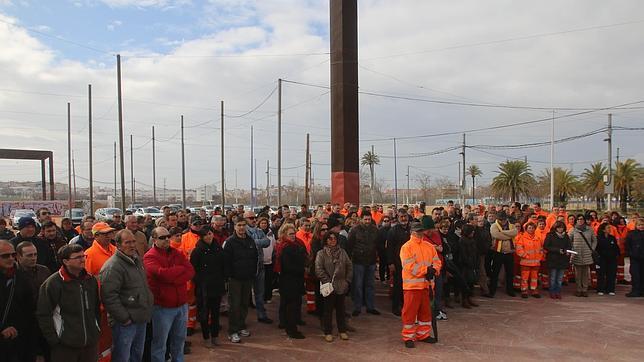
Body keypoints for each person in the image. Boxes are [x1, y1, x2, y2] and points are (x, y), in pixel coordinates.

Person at [37, 244, 101, 362]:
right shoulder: (53, 283)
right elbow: (43, 314)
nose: (82, 260)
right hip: (65, 346)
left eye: (83, 256)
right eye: (77, 257)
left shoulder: (90, 280)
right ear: (65, 261)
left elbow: (95, 308)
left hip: (90, 344)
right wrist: (54, 340)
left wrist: (96, 330)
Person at [99, 229, 153, 362]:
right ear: (118, 245)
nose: (132, 245)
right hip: (125, 323)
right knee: (122, 357)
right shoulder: (113, 266)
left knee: (136, 355)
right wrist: (124, 318)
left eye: (133, 241)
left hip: (140, 318)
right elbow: (109, 297)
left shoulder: (136, 260)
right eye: (127, 242)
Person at [144, 227, 195, 362]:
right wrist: (179, 272)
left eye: (168, 236)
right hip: (162, 308)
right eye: (162, 237)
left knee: (179, 341)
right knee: (160, 344)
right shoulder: (150, 257)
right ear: (154, 240)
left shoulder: (177, 253)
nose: (166, 239)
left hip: (181, 305)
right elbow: (163, 275)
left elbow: (190, 271)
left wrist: (173, 276)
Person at [399, 222, 441, 348]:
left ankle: (423, 335)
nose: (419, 233)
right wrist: (427, 270)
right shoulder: (406, 247)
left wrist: (434, 270)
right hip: (412, 288)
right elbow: (409, 266)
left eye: (421, 231)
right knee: (409, 313)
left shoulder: (429, 246)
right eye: (417, 231)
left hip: (427, 286)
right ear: (412, 232)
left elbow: (437, 261)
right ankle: (408, 337)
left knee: (426, 313)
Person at [223, 219, 258, 343]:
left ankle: (241, 325)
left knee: (244, 304)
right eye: (239, 225)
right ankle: (232, 331)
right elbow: (225, 262)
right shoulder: (230, 242)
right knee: (234, 305)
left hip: (248, 278)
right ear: (235, 227)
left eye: (244, 225)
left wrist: (253, 272)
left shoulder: (250, 240)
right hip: (235, 279)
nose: (242, 227)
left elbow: (255, 257)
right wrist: (229, 277)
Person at [190, 227, 226, 347]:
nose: (208, 237)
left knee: (215, 313)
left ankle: (215, 336)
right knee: (204, 313)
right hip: (203, 288)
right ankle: (206, 337)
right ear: (201, 237)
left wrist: (223, 280)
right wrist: (200, 282)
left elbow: (223, 265)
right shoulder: (197, 251)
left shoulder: (218, 248)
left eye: (210, 234)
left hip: (217, 285)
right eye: (205, 235)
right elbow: (193, 270)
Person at [16, 241, 51, 362]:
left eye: (35, 254)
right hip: (24, 324)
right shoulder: (14, 274)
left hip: (44, 321)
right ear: (18, 256)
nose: (33, 258)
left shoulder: (44, 271)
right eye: (29, 255)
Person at [0, 240, 35, 362]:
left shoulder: (21, 278)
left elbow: (29, 312)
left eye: (13, 255)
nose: (10, 258)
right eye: (5, 256)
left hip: (19, 342)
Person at [316, 231, 353, 342]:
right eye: (330, 238)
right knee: (327, 310)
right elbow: (318, 269)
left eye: (334, 238)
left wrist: (347, 281)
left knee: (341, 309)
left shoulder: (343, 252)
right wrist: (327, 282)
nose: (332, 240)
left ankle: (342, 330)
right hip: (328, 286)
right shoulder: (321, 253)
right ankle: (328, 331)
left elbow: (349, 266)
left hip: (341, 285)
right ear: (326, 240)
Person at [276, 223, 307, 339]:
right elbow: (288, 266)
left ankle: (288, 326)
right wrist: (301, 268)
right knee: (291, 306)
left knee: (288, 305)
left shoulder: (290, 245)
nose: (293, 236)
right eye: (290, 234)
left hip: (290, 280)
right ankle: (292, 330)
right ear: (284, 235)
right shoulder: (287, 247)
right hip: (290, 281)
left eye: (294, 233)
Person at [347, 211, 380, 316]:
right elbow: (350, 246)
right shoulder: (354, 230)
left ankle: (370, 307)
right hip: (358, 261)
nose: (367, 221)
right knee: (358, 285)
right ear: (361, 219)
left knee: (370, 285)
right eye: (365, 219)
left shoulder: (375, 230)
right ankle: (357, 307)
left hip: (371, 261)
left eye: (369, 219)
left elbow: (378, 244)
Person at [244, 211, 272, 324]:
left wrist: (253, 242)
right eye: (251, 218)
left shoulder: (258, 230)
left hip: (259, 265)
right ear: (245, 219)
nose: (254, 220)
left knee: (260, 293)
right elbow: (246, 245)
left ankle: (262, 315)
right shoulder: (243, 230)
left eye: (254, 217)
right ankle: (243, 319)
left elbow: (267, 242)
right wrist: (256, 242)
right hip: (247, 267)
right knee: (244, 295)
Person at [488, 211, 518, 297]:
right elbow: (496, 235)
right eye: (500, 219)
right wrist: (509, 235)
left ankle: (510, 290)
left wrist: (503, 233)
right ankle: (492, 291)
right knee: (495, 273)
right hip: (498, 252)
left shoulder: (512, 225)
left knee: (510, 273)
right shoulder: (494, 226)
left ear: (506, 219)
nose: (502, 221)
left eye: (503, 219)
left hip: (509, 252)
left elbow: (515, 233)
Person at [387, 211, 411, 316]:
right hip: (398, 262)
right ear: (398, 218)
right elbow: (389, 248)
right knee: (398, 285)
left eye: (405, 216)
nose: (404, 218)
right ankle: (395, 307)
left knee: (408, 286)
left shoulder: (412, 229)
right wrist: (391, 263)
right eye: (401, 217)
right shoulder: (393, 231)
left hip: (411, 264)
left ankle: (406, 305)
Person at [569, 215, 597, 297]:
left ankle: (584, 289)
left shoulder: (589, 230)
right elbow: (568, 241)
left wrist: (592, 249)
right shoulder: (572, 230)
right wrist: (572, 250)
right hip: (576, 254)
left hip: (587, 254)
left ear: (584, 220)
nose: (580, 220)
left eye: (581, 219)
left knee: (585, 273)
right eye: (578, 219)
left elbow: (594, 240)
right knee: (577, 273)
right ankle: (578, 289)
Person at [543, 221, 572, 299]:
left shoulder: (566, 236)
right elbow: (546, 246)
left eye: (562, 227)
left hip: (562, 260)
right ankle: (552, 292)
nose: (560, 229)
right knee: (552, 277)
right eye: (559, 227)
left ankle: (558, 292)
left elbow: (569, 245)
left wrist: (567, 250)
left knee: (559, 278)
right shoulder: (550, 235)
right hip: (553, 259)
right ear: (555, 228)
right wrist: (557, 250)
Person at [515, 222, 544, 298]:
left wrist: (539, 257)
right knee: (525, 278)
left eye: (533, 228)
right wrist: (525, 256)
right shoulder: (522, 238)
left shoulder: (537, 238)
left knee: (534, 278)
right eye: (529, 228)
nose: (531, 229)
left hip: (536, 263)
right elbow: (519, 249)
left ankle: (534, 290)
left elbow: (541, 249)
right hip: (525, 262)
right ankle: (524, 290)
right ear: (526, 229)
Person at [457, 224, 480, 307]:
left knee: (471, 283)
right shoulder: (462, 241)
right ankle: (464, 300)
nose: (473, 232)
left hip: (472, 265)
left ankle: (469, 298)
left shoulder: (472, 240)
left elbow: (476, 252)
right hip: (465, 266)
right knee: (465, 283)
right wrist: (468, 262)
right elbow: (463, 255)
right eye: (471, 231)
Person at [595, 223, 620, 296]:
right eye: (608, 228)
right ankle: (600, 289)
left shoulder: (612, 238)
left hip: (612, 259)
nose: (609, 229)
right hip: (602, 259)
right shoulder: (598, 238)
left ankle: (610, 289)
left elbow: (616, 248)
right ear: (603, 230)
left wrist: (616, 255)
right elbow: (597, 249)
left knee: (611, 274)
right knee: (601, 274)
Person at [257, 217, 276, 304]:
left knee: (268, 280)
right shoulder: (256, 233)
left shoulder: (271, 233)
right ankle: (261, 297)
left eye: (265, 223)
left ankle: (268, 296)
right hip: (260, 261)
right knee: (261, 282)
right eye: (262, 223)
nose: (264, 225)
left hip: (269, 260)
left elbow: (273, 245)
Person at [626, 218, 644, 297]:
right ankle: (635, 291)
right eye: (639, 225)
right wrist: (631, 253)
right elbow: (628, 245)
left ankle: (642, 291)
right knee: (635, 274)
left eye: (642, 225)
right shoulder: (631, 234)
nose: (641, 227)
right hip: (634, 258)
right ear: (636, 225)